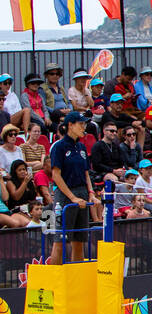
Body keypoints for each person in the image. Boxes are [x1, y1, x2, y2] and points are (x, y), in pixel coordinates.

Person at [49, 112, 96, 264]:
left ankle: (77, 279)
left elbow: (86, 173)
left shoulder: (81, 147)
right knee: (60, 241)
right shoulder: (59, 147)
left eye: (85, 124)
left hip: (81, 192)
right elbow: (56, 175)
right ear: (70, 125)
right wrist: (72, 197)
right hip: (65, 195)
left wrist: (91, 193)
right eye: (81, 124)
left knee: (79, 241)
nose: (84, 127)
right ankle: (55, 279)